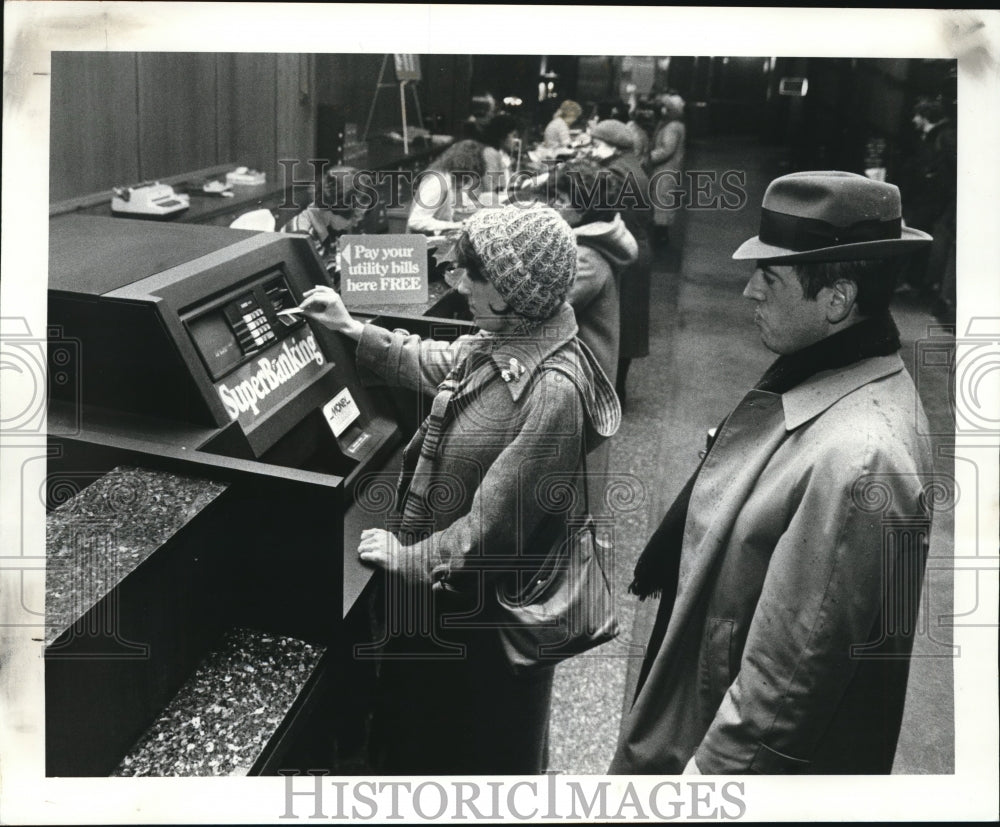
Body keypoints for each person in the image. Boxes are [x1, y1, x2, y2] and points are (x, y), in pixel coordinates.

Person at [610, 171, 936, 775]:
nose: (748, 292)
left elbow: (786, 688)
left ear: (837, 299)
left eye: (771, 276)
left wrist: (705, 786)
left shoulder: (858, 457)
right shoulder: (824, 376)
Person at [300, 204, 620, 775]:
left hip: (477, 627)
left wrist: (406, 556)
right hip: (450, 608)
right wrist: (351, 328)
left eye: (474, 274)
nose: (460, 283)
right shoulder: (511, 340)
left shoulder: (552, 390)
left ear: (514, 291)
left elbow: (488, 534)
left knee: (461, 750)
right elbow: (442, 363)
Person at [587, 118, 654, 405]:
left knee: (616, 325)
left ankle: (612, 394)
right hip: (637, 249)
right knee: (628, 324)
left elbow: (591, 209)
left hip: (624, 254)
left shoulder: (614, 174)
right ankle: (617, 391)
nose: (591, 150)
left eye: (595, 144)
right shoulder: (631, 164)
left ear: (612, 146)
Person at [405, 138, 488, 235]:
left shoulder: (448, 176)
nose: (464, 184)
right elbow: (416, 221)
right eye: (466, 178)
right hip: (423, 245)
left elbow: (449, 209)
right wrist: (455, 225)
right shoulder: (438, 183)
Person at [647, 93, 687, 249]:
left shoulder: (671, 127)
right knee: (664, 200)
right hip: (670, 168)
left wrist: (648, 157)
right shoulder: (676, 124)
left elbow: (666, 150)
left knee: (662, 201)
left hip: (665, 169)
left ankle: (660, 237)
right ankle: (661, 234)